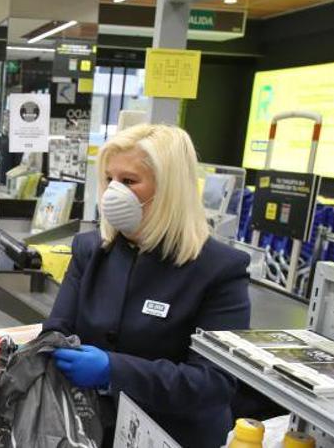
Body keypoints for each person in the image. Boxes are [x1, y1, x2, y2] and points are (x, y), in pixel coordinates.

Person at [44, 124, 251, 448]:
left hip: (173, 437)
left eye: (128, 181)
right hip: (90, 432)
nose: (114, 192)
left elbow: (214, 383)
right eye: (109, 179)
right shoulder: (91, 251)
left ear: (169, 190)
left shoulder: (219, 270)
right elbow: (57, 329)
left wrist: (115, 370)